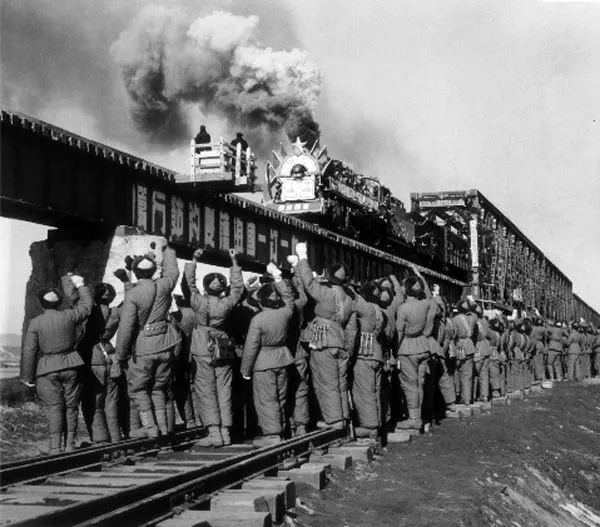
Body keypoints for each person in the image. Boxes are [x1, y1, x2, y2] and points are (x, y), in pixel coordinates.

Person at [115, 244, 181, 438]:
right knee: (159, 388)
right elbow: (173, 271)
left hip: (144, 347)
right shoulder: (164, 285)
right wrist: (168, 250)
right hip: (166, 343)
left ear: (135, 273)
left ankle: (151, 428)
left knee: (138, 389)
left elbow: (126, 328)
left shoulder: (133, 295)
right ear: (153, 271)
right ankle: (163, 428)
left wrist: (120, 355)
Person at [21, 274, 93, 453]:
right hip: (71, 365)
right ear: (59, 302)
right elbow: (87, 306)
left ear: (41, 303)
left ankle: (55, 447)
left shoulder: (35, 323)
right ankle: (70, 444)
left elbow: (29, 351)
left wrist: (28, 377)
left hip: (47, 369)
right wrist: (80, 284)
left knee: (55, 408)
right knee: (71, 406)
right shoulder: (69, 315)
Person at [295, 242, 358, 430]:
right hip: (341, 343)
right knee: (340, 383)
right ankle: (343, 417)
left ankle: (334, 421)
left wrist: (302, 258)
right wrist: (348, 351)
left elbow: (308, 282)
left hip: (323, 341)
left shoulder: (325, 294)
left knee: (326, 383)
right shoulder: (350, 300)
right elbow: (352, 330)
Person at [185, 248, 243, 447]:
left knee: (205, 390)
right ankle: (226, 432)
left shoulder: (197, 301)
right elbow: (238, 288)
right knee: (224, 389)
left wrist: (194, 259)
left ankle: (214, 433)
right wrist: (234, 261)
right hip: (223, 346)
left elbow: (189, 284)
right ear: (222, 288)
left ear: (205, 287)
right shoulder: (227, 303)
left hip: (202, 347)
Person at [241, 263, 295, 447]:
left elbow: (251, 347)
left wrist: (245, 369)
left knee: (266, 400)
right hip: (282, 358)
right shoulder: (285, 314)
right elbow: (289, 297)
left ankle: (272, 435)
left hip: (263, 362)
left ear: (261, 300)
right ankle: (282, 430)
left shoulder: (258, 320)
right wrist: (278, 278)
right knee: (281, 398)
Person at [78, 282, 121, 444]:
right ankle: (115, 437)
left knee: (94, 402)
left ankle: (100, 439)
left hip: (93, 357)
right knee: (111, 402)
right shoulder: (116, 312)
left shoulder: (91, 312)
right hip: (110, 354)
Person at [395, 273, 436, 431]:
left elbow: (399, 331)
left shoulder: (403, 308)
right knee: (420, 383)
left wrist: (395, 349)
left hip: (407, 347)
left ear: (406, 290)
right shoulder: (425, 304)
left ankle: (413, 418)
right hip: (423, 345)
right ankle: (419, 416)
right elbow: (429, 295)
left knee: (409, 384)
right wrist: (420, 277)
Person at [351, 282, 390, 439]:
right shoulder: (380, 311)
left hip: (363, 353)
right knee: (375, 391)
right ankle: (377, 423)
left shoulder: (364, 307)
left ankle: (369, 426)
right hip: (377, 352)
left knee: (363, 391)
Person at [284, 256, 310, 436]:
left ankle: (287, 424)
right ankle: (301, 425)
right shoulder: (301, 302)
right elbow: (301, 288)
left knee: (282, 389)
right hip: (300, 350)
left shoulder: (281, 307)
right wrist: (297, 267)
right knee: (301, 388)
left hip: (282, 351)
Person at [451, 299, 477, 405]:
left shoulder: (455, 319)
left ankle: (459, 396)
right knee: (468, 375)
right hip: (470, 346)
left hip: (459, 347)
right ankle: (467, 398)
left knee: (457, 373)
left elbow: (453, 334)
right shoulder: (474, 317)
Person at [473, 304, 491, 402]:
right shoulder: (485, 321)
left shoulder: (475, 321)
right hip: (486, 349)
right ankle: (484, 395)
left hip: (478, 349)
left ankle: (473, 395)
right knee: (484, 374)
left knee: (475, 374)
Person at [488, 318, 506, 399]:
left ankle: (495, 392)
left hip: (492, 355)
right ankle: (501, 391)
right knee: (498, 374)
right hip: (498, 355)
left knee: (493, 375)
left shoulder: (492, 333)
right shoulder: (499, 334)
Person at [529, 316, 546, 384]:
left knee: (534, 361)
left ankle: (534, 376)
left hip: (534, 343)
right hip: (540, 344)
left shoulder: (532, 328)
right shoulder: (543, 329)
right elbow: (544, 339)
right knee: (540, 361)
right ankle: (540, 376)